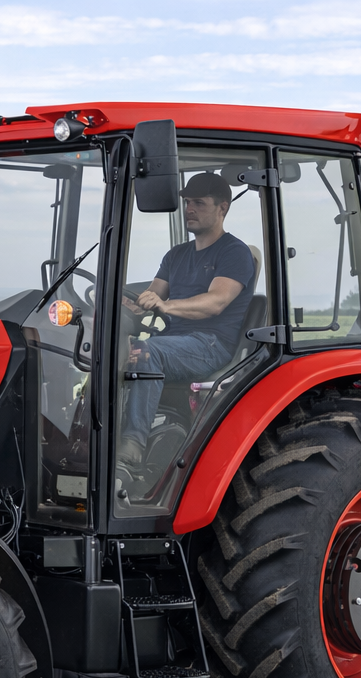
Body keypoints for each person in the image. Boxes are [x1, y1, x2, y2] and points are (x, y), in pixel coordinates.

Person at [118, 171, 255, 468]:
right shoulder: (176, 255)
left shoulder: (235, 252)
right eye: (187, 202)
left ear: (223, 208)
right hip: (175, 341)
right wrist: (128, 303)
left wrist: (165, 306)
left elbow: (215, 303)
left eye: (199, 203)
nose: (189, 209)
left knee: (147, 352)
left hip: (210, 343)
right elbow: (152, 295)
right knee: (111, 350)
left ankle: (131, 446)